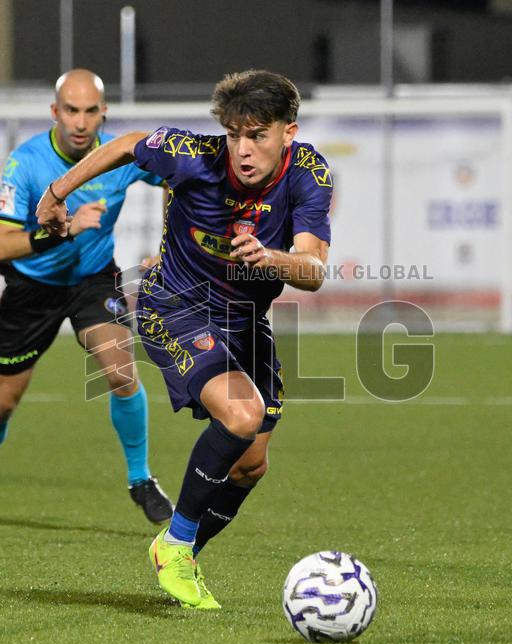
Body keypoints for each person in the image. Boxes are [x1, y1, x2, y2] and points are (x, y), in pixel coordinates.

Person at [36, 70, 332, 609]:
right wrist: (56, 192)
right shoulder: (192, 153)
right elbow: (126, 146)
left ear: (288, 133)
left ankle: (180, 549)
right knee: (240, 416)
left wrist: (276, 259)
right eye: (236, 134)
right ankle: (174, 546)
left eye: (259, 135)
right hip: (175, 306)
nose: (243, 150)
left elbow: (312, 268)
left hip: (245, 320)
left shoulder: (308, 172)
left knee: (250, 463)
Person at [0, 69, 173, 533]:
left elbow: (175, 176)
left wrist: (170, 244)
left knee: (121, 369)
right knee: (2, 403)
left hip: (92, 279)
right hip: (32, 290)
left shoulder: (120, 155)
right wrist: (58, 230)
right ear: (54, 112)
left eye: (90, 111)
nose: (80, 122)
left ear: (104, 112)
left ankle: (141, 479)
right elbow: (0, 247)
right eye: (71, 110)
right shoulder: (25, 164)